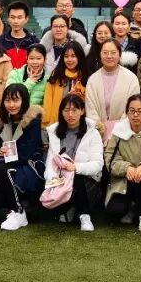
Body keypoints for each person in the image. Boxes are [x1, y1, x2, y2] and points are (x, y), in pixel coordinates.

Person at [44, 93, 104, 232]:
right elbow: (49, 163)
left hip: (87, 181)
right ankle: (69, 208)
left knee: (76, 176)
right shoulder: (54, 133)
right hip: (61, 182)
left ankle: (84, 215)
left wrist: (76, 167)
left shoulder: (92, 133)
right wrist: (52, 179)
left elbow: (98, 164)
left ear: (82, 111)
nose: (70, 114)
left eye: (74, 110)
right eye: (66, 110)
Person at [104, 94, 141, 231]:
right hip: (123, 180)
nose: (135, 115)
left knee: (140, 178)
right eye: (132, 111)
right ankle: (132, 208)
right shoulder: (118, 132)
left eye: (139, 111)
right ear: (127, 112)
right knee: (115, 210)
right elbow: (110, 158)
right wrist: (126, 168)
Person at [0, 83, 46, 231]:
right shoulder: (3, 121)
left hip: (29, 164)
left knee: (0, 169)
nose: (11, 105)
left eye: (16, 100)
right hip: (10, 162)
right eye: (8, 100)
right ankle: (16, 209)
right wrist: (1, 152)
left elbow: (28, 151)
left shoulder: (33, 121)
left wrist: (2, 159)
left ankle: (18, 211)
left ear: (24, 100)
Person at [85, 39, 141, 139]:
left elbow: (133, 107)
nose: (109, 56)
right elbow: (90, 110)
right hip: (98, 134)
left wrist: (118, 130)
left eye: (113, 53)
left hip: (124, 134)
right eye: (105, 53)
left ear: (120, 55)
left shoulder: (131, 79)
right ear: (100, 55)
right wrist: (99, 127)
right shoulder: (92, 80)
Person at [42, 42, 88, 128]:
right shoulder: (56, 76)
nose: (69, 60)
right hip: (57, 125)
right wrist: (46, 125)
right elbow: (47, 103)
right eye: (66, 56)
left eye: (73, 56)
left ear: (79, 57)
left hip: (80, 125)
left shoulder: (86, 78)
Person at [0, 1, 38, 69]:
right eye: (12, 17)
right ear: (8, 19)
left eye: (19, 18)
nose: (15, 21)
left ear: (26, 19)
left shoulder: (34, 42)